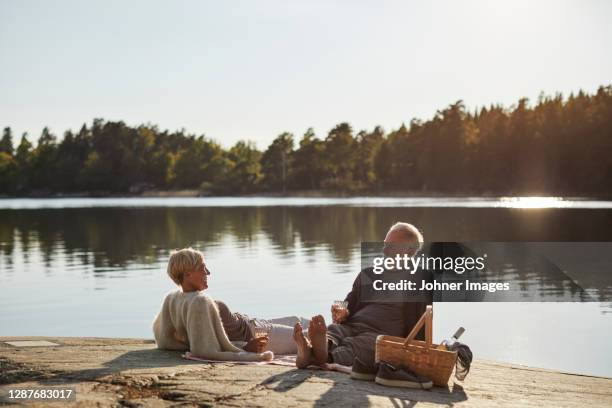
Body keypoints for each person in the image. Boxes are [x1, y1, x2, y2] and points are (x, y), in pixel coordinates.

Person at [293, 222, 431, 370]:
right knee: (335, 330)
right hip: (353, 325)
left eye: (391, 246)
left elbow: (425, 322)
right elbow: (348, 302)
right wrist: (341, 309)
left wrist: (417, 352)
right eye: (385, 245)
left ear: (409, 251)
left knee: (360, 345)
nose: (384, 251)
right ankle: (319, 348)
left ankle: (315, 355)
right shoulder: (369, 274)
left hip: (383, 335)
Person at [153, 247, 306, 359]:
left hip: (252, 323)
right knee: (313, 336)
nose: (208, 272)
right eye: (202, 268)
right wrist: (245, 348)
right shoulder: (198, 304)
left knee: (298, 320)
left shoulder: (174, 298)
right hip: (256, 335)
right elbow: (204, 346)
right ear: (187, 274)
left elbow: (169, 339)